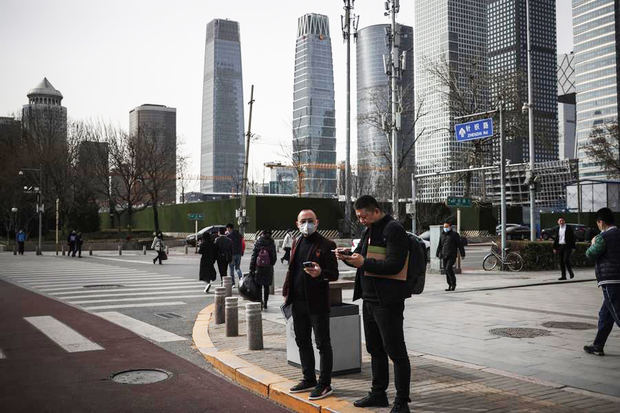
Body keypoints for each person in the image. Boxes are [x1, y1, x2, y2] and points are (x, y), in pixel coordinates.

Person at [335, 195, 411, 413]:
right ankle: (378, 393)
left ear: (376, 211)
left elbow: (395, 265)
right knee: (375, 349)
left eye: (363, 216)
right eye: (359, 217)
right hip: (369, 299)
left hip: (387, 302)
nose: (361, 220)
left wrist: (363, 262)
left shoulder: (393, 229)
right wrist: (347, 256)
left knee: (396, 351)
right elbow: (362, 258)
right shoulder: (369, 230)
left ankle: (402, 401)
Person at [282, 209, 339, 401]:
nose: (307, 224)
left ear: (317, 222)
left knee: (323, 343)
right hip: (297, 302)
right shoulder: (296, 242)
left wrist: (321, 272)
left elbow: (334, 274)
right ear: (297, 224)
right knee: (302, 341)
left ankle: (325, 384)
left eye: (310, 220)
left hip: (317, 303)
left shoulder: (326, 244)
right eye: (303, 221)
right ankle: (309, 378)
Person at [584, 207, 620, 356]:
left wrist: (593, 242)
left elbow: (590, 254)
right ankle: (598, 345)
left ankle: (598, 345)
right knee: (605, 314)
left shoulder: (602, 237)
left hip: (610, 280)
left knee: (618, 313)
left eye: (598, 223)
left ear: (601, 222)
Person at [249, 229, 276, 309]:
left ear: (262, 233)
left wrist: (251, 268)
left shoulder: (259, 241)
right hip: (268, 267)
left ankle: (260, 301)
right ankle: (266, 303)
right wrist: (271, 263)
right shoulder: (271, 242)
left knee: (259, 286)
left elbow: (254, 256)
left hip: (259, 267)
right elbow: (274, 257)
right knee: (266, 286)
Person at [436, 221, 465, 291]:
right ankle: (449, 285)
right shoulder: (442, 235)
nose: (445, 228)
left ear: (449, 227)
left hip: (452, 255)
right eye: (444, 227)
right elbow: (440, 245)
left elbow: (460, 245)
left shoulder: (454, 235)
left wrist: (462, 254)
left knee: (448, 268)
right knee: (446, 270)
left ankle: (453, 284)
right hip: (444, 255)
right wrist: (437, 253)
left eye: (446, 227)